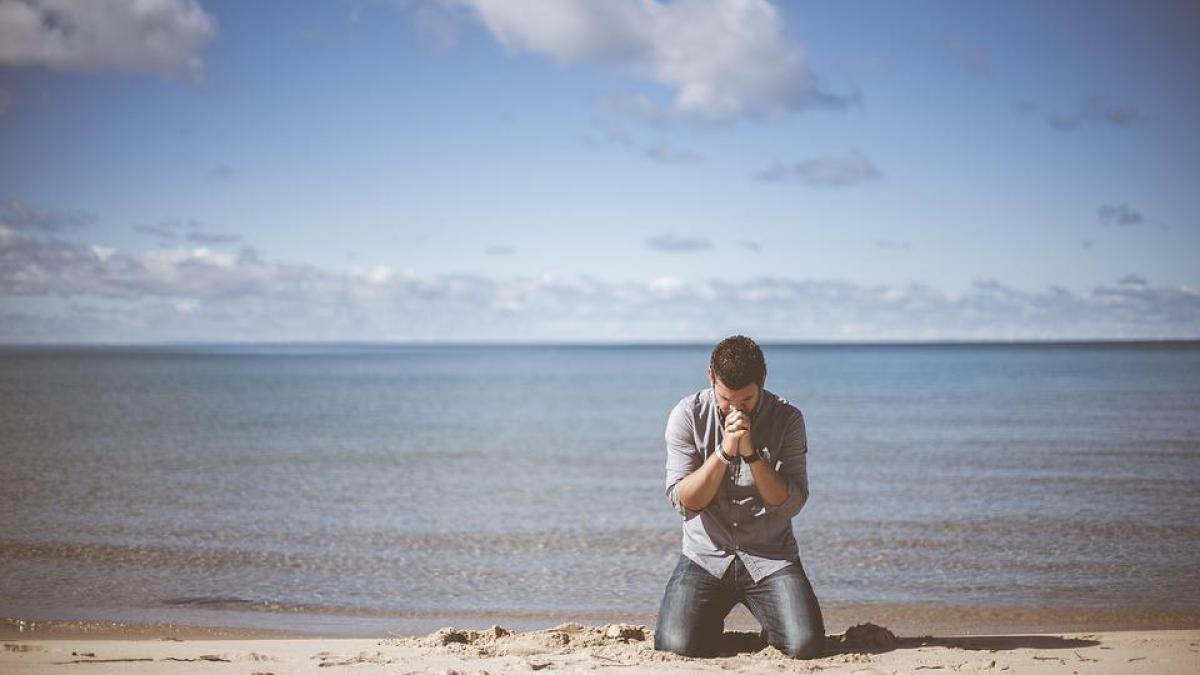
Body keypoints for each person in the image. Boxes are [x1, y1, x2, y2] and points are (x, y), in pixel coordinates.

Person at [653, 335, 825, 659]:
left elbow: (790, 503)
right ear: (711, 378)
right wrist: (724, 452)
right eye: (725, 398)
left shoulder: (788, 418)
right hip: (705, 555)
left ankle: (773, 622)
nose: (735, 409)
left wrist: (751, 455)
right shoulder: (688, 415)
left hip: (770, 555)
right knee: (673, 647)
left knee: (805, 646)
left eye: (745, 400)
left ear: (762, 380)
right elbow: (684, 501)